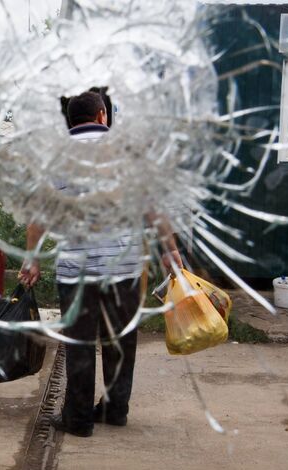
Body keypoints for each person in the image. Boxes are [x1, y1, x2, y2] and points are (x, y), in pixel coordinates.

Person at [19, 91, 181, 438]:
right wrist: (170, 250)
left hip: (76, 271)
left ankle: (78, 420)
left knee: (79, 342)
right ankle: (115, 409)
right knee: (120, 340)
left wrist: (32, 258)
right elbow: (154, 210)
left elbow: (38, 219)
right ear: (103, 115)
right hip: (122, 269)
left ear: (72, 120)